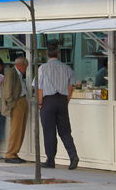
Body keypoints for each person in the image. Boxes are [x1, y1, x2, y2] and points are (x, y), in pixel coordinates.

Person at [37, 42, 79, 170]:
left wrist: (40, 102)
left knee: (49, 132)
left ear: (46, 54)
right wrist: (66, 100)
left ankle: (50, 160)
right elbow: (71, 87)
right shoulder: (66, 68)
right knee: (65, 131)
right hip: (62, 100)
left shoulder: (42, 68)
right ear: (58, 54)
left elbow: (40, 88)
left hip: (48, 101)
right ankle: (73, 156)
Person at [0, 57, 29, 163]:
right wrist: (12, 103)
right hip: (17, 102)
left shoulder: (17, 74)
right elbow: (7, 91)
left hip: (21, 101)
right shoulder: (11, 73)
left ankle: (14, 152)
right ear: (21, 65)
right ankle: (10, 154)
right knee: (16, 129)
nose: (26, 69)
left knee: (20, 129)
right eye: (26, 67)